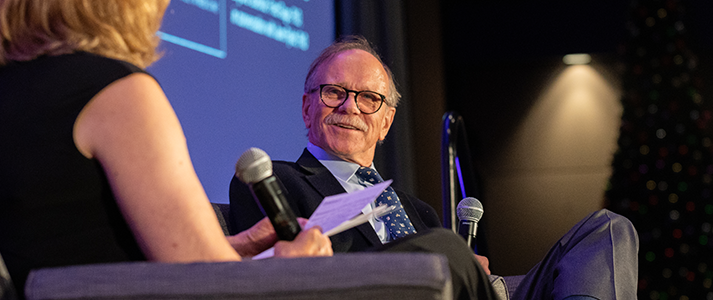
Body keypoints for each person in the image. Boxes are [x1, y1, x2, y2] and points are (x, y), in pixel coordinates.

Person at [0, 0, 332, 295]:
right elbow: (211, 285)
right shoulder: (118, 92)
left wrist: (237, 247)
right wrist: (287, 269)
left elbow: (58, 245)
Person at [229, 36, 640, 300]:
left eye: (368, 98)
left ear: (386, 123)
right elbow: (279, 280)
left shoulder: (416, 209)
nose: (350, 107)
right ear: (307, 107)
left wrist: (468, 272)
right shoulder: (273, 182)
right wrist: (452, 260)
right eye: (334, 92)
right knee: (445, 248)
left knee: (606, 230)